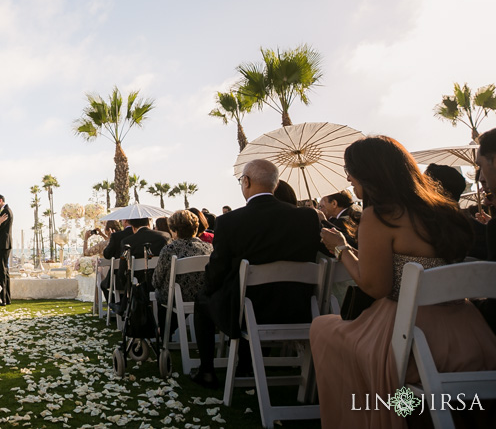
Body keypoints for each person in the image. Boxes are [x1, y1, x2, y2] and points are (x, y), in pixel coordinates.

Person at [310, 136, 496, 428]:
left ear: (369, 171)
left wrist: (341, 248)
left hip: (412, 336)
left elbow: (375, 287)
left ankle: (386, 415)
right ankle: (413, 413)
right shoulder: (445, 211)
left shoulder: (380, 216)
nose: (347, 177)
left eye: (350, 169)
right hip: (472, 336)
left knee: (323, 329)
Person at [190, 159, 321, 389]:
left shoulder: (230, 222)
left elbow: (217, 271)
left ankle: (207, 371)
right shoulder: (308, 218)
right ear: (276, 183)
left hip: (245, 311)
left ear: (247, 182)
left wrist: (209, 290)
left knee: (203, 301)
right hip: (299, 308)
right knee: (248, 294)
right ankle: (245, 366)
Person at [152, 210, 213, 334]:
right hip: (204, 297)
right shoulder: (209, 248)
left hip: (176, 298)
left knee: (160, 293)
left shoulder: (170, 249)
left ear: (174, 231)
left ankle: (164, 331)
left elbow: (156, 280)